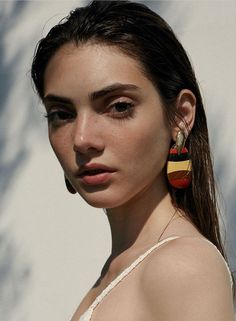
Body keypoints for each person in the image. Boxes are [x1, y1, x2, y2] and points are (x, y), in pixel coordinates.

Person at [31, 1, 235, 320]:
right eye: (62, 114)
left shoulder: (183, 266)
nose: (82, 139)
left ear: (181, 117)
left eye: (119, 107)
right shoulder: (124, 264)